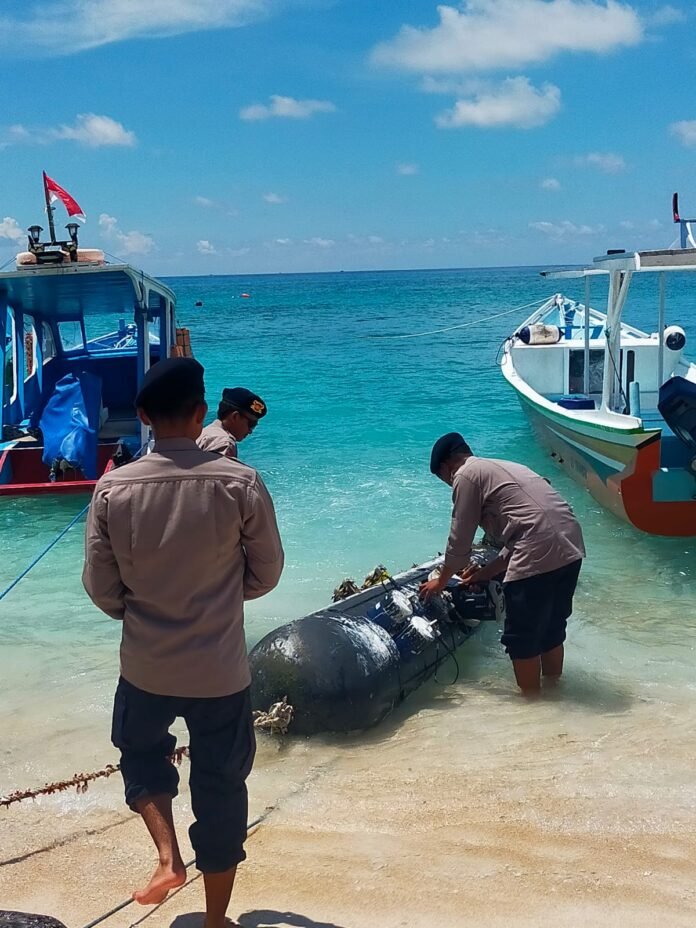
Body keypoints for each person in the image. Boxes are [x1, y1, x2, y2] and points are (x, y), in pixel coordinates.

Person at [82, 358, 284, 927]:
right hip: (220, 671)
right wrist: (220, 600)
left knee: (141, 755)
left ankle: (168, 859)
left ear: (143, 416)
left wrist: (145, 612)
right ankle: (216, 919)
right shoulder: (238, 481)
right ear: (201, 416)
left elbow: (100, 586)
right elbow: (267, 573)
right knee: (221, 786)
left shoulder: (111, 490)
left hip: (146, 666)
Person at [420, 432, 585, 696]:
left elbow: (460, 538)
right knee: (551, 629)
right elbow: (527, 529)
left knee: (522, 639)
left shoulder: (465, 474)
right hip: (570, 545)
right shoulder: (507, 468)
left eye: (443, 480)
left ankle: (532, 706)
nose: (448, 485)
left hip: (537, 548)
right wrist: (484, 573)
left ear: (446, 467)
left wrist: (441, 580)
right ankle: (556, 694)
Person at [197, 387, 267, 460]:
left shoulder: (205, 432)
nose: (250, 431)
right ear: (235, 417)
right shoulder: (224, 443)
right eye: (251, 424)